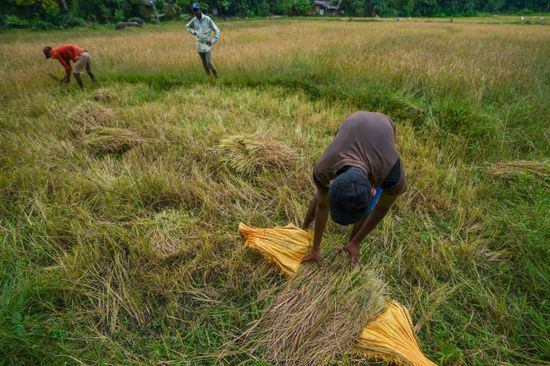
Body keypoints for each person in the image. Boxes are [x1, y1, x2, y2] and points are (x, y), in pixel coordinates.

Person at [301, 111, 407, 267]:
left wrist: (356, 242)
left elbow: (381, 209)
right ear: (332, 182)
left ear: (373, 191)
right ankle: (302, 230)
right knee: (319, 196)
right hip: (353, 121)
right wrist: (315, 249)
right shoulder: (323, 170)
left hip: (383, 125)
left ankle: (351, 242)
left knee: (365, 205)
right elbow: (323, 205)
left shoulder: (392, 175)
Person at [186, 3, 220, 78]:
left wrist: (213, 41)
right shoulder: (194, 20)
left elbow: (217, 30)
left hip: (207, 44)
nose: (195, 12)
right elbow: (187, 26)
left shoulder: (208, 19)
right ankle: (208, 77)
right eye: (194, 11)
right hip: (199, 44)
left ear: (200, 10)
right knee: (204, 64)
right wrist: (193, 32)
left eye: (197, 10)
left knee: (209, 63)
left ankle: (216, 78)